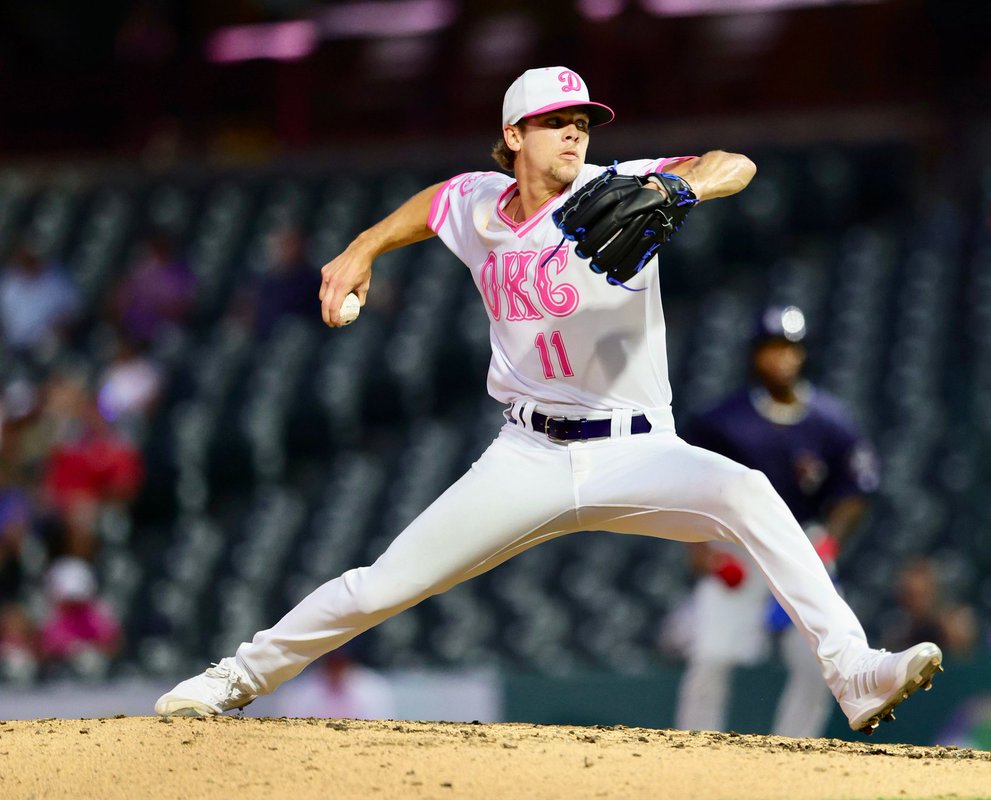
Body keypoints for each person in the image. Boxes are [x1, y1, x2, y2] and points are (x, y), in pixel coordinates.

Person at [155, 66, 943, 733]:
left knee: (748, 492)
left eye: (582, 121)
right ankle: (232, 680)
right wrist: (359, 249)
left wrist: (679, 185)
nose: (575, 134)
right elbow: (432, 205)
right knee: (381, 585)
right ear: (513, 138)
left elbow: (734, 163)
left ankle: (855, 673)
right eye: (555, 122)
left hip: (637, 449)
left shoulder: (618, 187)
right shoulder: (478, 205)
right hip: (527, 454)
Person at [674, 306, 881, 738]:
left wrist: (831, 541)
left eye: (789, 349)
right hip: (736, 546)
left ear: (803, 354)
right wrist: (701, 550)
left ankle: (796, 748)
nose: (780, 359)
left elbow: (856, 489)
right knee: (711, 656)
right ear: (754, 355)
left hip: (802, 544)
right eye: (771, 349)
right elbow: (685, 486)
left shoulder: (830, 420)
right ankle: (694, 746)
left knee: (820, 662)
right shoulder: (722, 421)